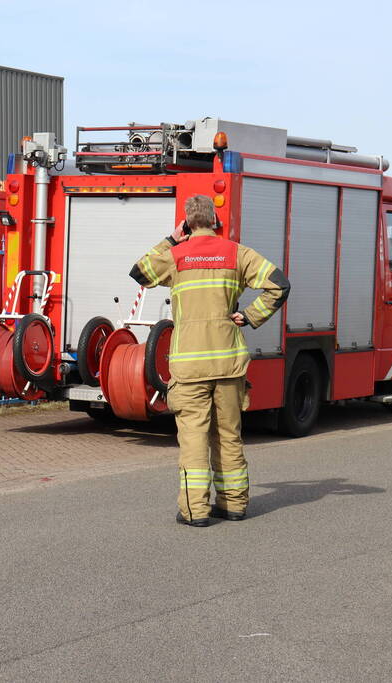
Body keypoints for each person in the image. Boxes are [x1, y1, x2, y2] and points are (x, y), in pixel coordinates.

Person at [129, 195, 290, 527]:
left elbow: (139, 272)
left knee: (194, 438)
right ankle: (234, 505)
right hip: (229, 363)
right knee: (228, 435)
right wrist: (249, 316)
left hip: (190, 367)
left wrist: (172, 238)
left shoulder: (175, 256)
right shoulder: (237, 253)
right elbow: (280, 285)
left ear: (188, 222)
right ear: (216, 222)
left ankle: (195, 510)